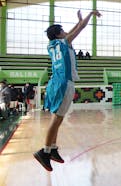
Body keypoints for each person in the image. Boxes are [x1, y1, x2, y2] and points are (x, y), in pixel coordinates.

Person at [33, 9, 101, 172]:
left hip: (56, 82)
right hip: (64, 83)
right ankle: (44, 151)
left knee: (59, 118)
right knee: (57, 119)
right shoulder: (64, 43)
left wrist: (78, 21)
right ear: (58, 34)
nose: (65, 32)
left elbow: (73, 31)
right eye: (62, 30)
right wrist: (90, 15)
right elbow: (80, 29)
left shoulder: (52, 45)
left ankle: (53, 148)